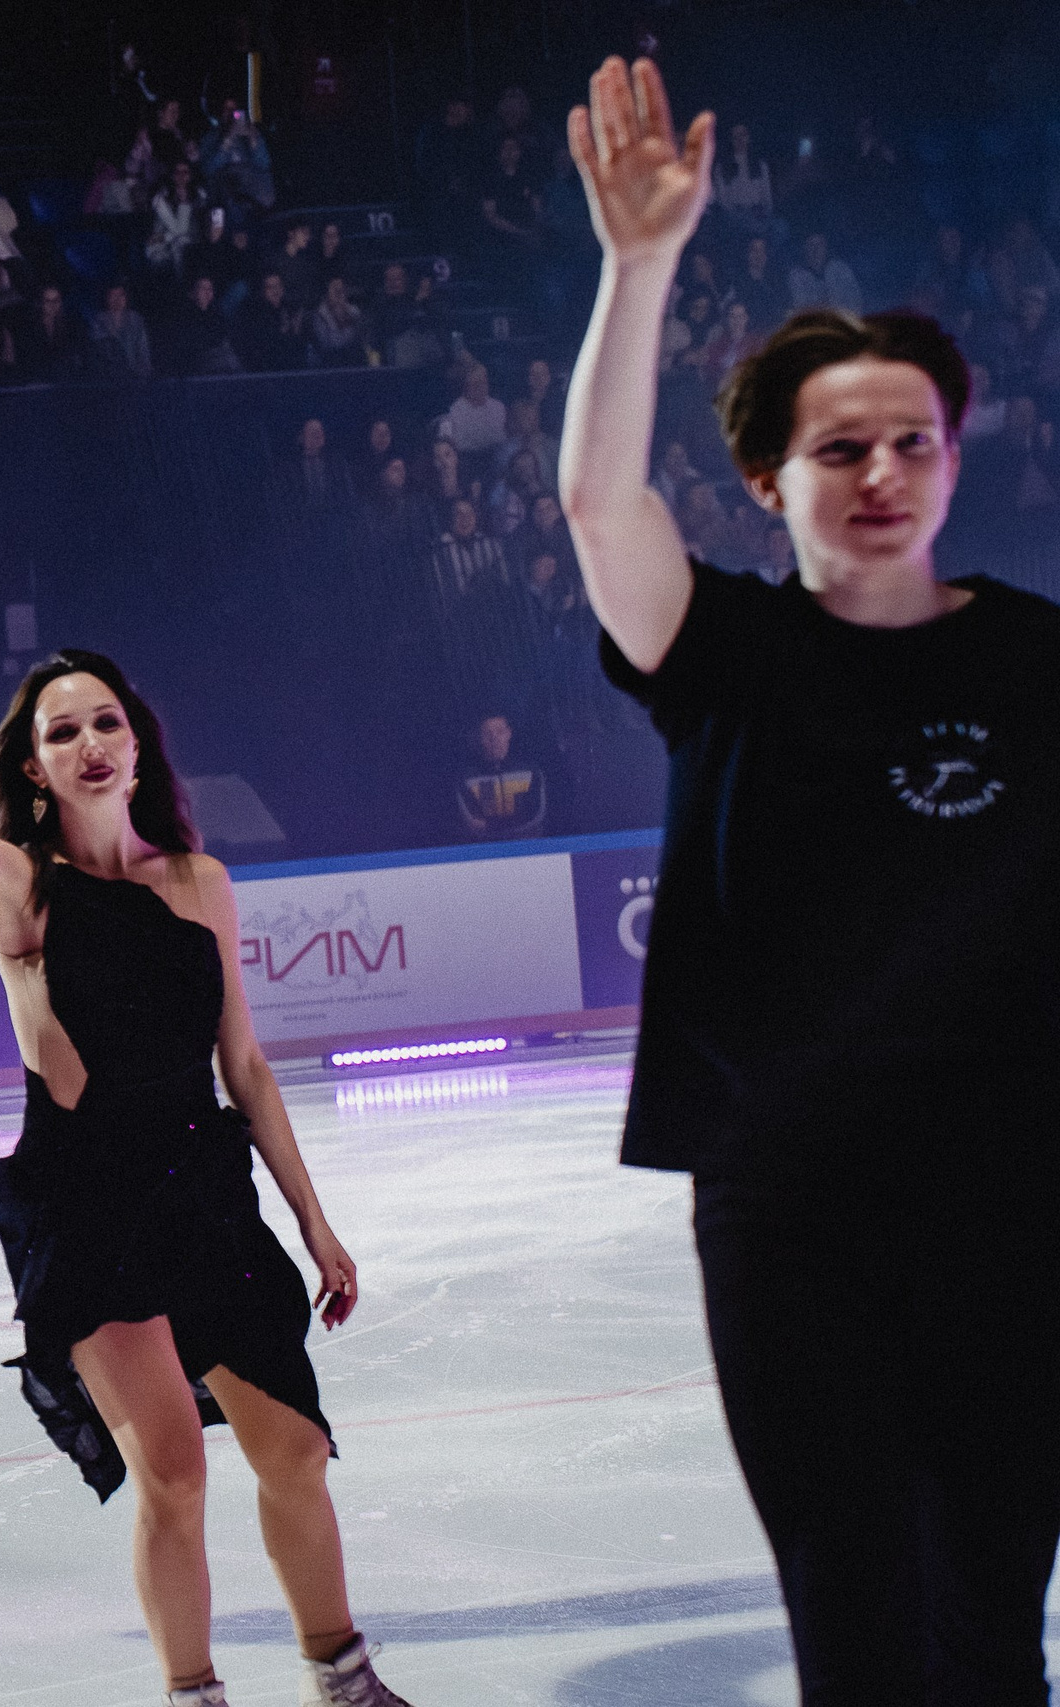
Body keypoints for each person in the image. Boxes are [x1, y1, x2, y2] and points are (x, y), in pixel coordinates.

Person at [558, 57, 1060, 1702]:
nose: (882, 473)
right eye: (838, 448)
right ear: (768, 478)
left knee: (992, 1623)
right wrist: (639, 269)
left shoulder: (1042, 663)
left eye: (912, 440)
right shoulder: (725, 648)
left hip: (1018, 1203)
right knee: (860, 1627)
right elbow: (592, 498)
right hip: (794, 1223)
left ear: (957, 459)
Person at [0, 632, 405, 1707]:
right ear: (33, 766)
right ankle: (193, 1694)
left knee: (296, 1450)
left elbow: (246, 1066)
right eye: (61, 731)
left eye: (104, 722)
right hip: (89, 1206)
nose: (88, 743)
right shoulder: (23, 893)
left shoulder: (199, 882)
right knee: (173, 1469)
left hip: (206, 1193)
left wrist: (315, 1219)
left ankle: (343, 1681)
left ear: (135, 743)